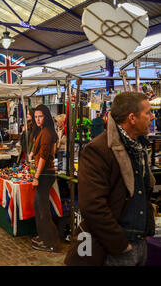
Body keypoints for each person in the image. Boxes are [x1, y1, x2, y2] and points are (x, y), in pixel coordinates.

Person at [65, 92, 156, 266]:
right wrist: (120, 245)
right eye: (148, 112)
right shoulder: (99, 150)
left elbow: (142, 193)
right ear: (132, 118)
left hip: (138, 243)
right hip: (114, 249)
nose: (152, 117)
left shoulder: (139, 147)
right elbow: (92, 206)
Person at [27, 104, 60, 252]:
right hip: (45, 172)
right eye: (36, 117)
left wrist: (36, 176)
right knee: (38, 207)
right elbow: (41, 152)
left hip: (45, 173)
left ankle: (51, 243)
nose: (38, 119)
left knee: (43, 210)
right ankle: (43, 235)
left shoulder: (46, 132)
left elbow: (44, 157)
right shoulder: (43, 131)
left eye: (40, 116)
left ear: (45, 117)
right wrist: (33, 154)